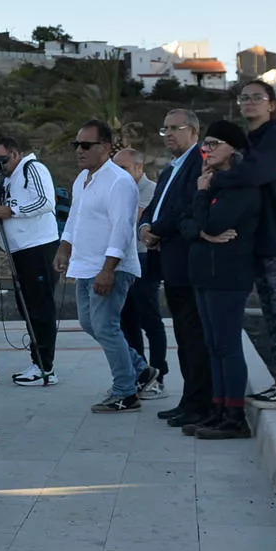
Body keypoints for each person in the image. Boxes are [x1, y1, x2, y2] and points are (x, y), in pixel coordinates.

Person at [210, 80, 276, 408]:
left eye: (258, 98)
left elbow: (255, 173)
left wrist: (216, 178)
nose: (250, 103)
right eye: (245, 98)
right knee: (271, 312)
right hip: (262, 240)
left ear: (271, 105)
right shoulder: (254, 140)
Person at [53, 119, 146, 413]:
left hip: (111, 268)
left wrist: (108, 270)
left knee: (105, 327)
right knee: (90, 323)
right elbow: (75, 219)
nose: (79, 151)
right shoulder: (81, 180)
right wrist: (64, 247)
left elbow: (122, 229)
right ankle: (139, 369)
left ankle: (125, 392)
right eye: (76, 145)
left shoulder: (119, 182)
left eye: (86, 145)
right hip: (84, 265)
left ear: (105, 148)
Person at [180, 120, 264, 440]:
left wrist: (203, 219)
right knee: (213, 346)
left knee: (227, 346)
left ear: (233, 148)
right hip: (203, 273)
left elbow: (215, 222)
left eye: (214, 144)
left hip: (228, 276)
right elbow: (186, 222)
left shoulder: (241, 185)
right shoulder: (206, 181)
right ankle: (218, 410)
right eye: (206, 144)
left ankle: (234, 415)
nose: (207, 150)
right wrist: (202, 232)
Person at [143, 110, 218, 431]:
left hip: (189, 263)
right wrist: (147, 223)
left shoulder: (199, 160)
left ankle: (200, 403)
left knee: (194, 337)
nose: (169, 134)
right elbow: (157, 204)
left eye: (176, 128)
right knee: (184, 338)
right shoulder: (171, 167)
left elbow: (185, 207)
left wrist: (156, 229)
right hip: (171, 264)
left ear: (194, 130)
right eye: (165, 128)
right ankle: (189, 400)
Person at [0, 135, 61, 386]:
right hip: (19, 250)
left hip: (38, 247)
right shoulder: (7, 180)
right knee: (28, 308)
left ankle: (45, 367)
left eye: (2, 159)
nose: (0, 164)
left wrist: (12, 211)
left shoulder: (33, 168)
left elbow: (45, 201)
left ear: (15, 154)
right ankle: (38, 361)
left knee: (40, 308)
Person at [113, 148, 167, 398]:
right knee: (127, 320)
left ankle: (159, 375)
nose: (117, 173)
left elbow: (129, 220)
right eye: (115, 168)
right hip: (121, 260)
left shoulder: (151, 190)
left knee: (150, 319)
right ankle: (140, 373)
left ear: (138, 168)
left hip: (145, 258)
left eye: (122, 168)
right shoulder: (117, 189)